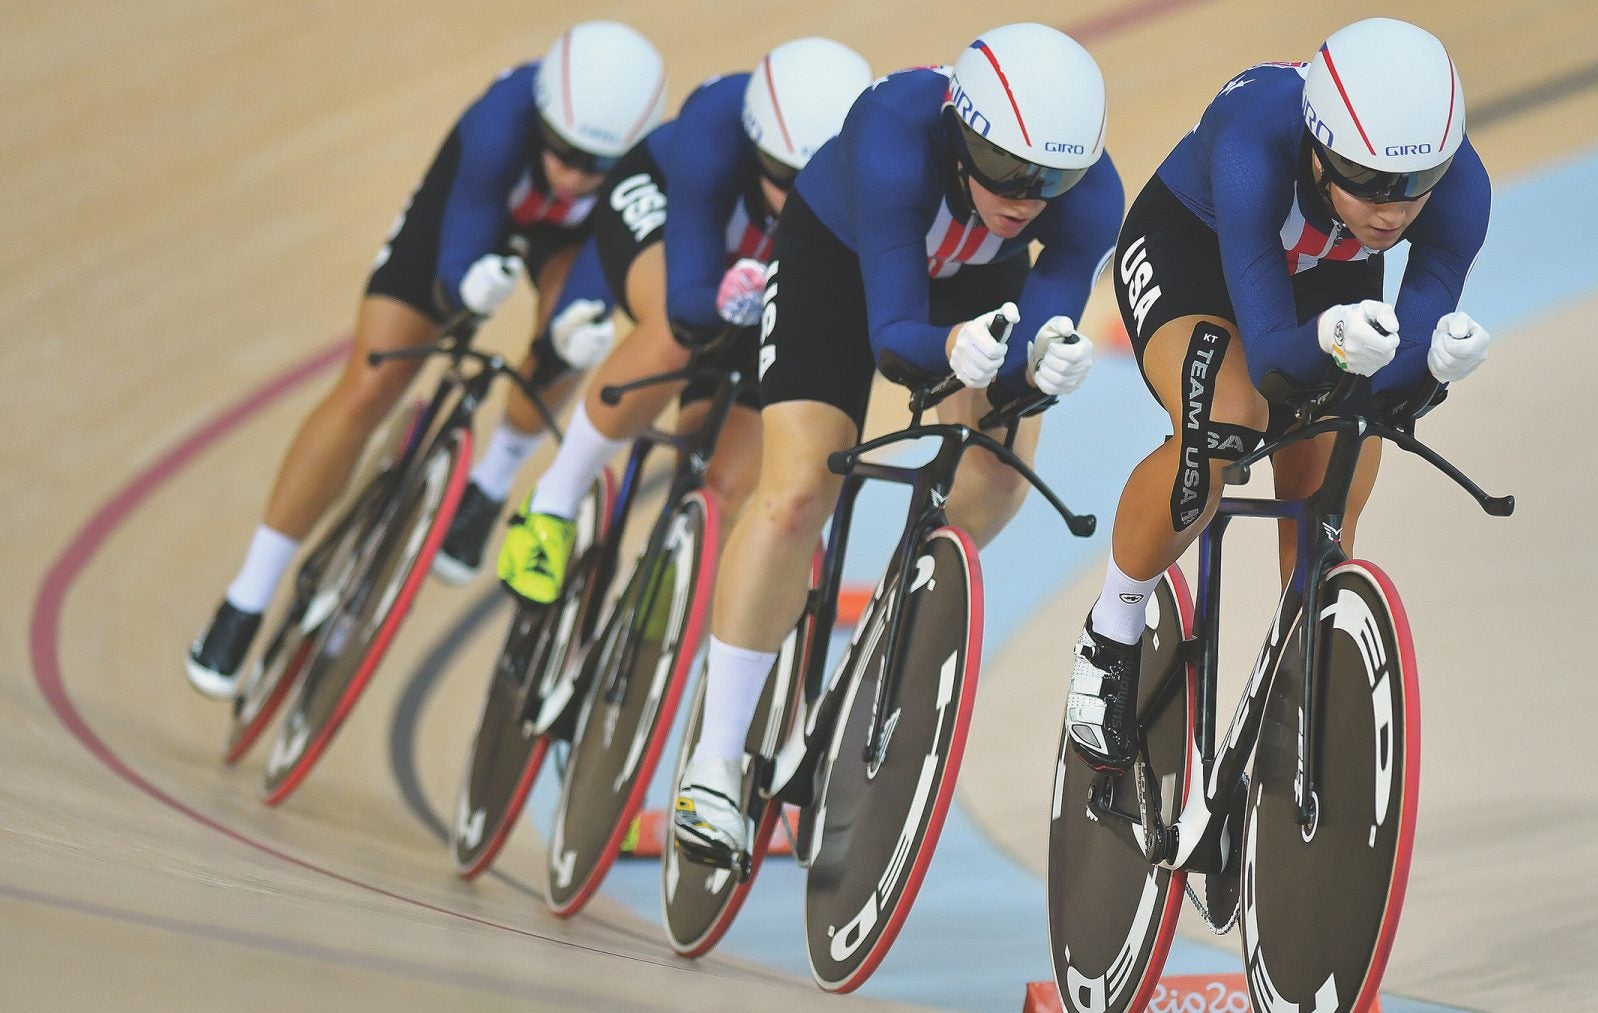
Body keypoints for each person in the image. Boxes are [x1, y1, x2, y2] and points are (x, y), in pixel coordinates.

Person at [663, 23, 1125, 866]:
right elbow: (894, 338)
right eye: (1011, 171)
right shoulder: (893, 134)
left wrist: (1040, 369)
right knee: (801, 488)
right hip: (838, 262)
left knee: (1000, 472)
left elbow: (1037, 332)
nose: (1028, 197)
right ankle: (714, 761)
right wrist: (952, 352)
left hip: (980, 281)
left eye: (1053, 178)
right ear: (963, 130)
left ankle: (886, 623)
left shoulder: (1090, 197)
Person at [1063, 17, 1495, 772]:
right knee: (1225, 424)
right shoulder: (1252, 139)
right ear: (1321, 153)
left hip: (1327, 284)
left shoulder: (1460, 190)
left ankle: (1306, 655)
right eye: (1369, 183)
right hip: (1197, 251)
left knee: (1340, 452)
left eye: (1414, 187)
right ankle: (1113, 628)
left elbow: (1388, 388)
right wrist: (1333, 341)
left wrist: (1430, 372)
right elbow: (1268, 361)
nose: (1393, 211)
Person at [185, 22, 666, 697]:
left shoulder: (638, 172)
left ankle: (490, 484)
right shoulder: (503, 118)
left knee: (568, 339)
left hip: (574, 241)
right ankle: (248, 594)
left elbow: (592, 281)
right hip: (468, 211)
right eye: (563, 152)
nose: (575, 173)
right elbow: (462, 234)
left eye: (596, 165)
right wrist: (463, 284)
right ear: (543, 118)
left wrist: (570, 330)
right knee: (374, 378)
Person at [492, 37, 873, 602]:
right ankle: (553, 500)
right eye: (781, 174)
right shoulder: (714, 129)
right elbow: (689, 298)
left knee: (722, 486)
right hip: (667, 221)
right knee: (674, 341)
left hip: (752, 282)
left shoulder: (875, 174)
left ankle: (664, 612)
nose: (797, 198)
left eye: (816, 181)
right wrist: (719, 304)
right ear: (753, 141)